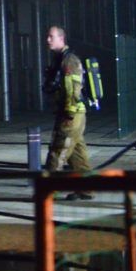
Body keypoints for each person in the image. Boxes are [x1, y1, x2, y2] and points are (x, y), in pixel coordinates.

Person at [42, 25, 93, 200]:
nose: (48, 40)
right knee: (77, 153)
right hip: (74, 113)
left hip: (71, 114)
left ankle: (47, 191)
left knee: (58, 150)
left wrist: (69, 112)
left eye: (51, 36)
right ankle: (86, 189)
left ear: (61, 38)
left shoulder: (69, 60)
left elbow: (73, 88)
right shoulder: (60, 59)